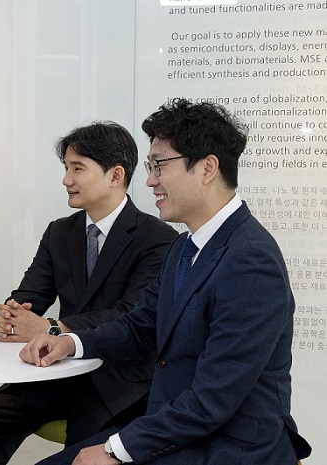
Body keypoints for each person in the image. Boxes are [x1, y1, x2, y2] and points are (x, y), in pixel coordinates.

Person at [21, 98, 312, 465]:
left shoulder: (250, 260)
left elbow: (213, 400)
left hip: (228, 444)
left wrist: (116, 449)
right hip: (179, 426)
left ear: (207, 168)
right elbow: (140, 325)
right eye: (150, 166)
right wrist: (70, 343)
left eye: (159, 165)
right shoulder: (185, 245)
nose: (149, 180)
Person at [0, 122, 178, 464]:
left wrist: (50, 328)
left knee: (81, 453)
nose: (66, 180)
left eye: (77, 169)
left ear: (115, 175)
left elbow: (129, 316)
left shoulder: (157, 238)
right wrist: (13, 316)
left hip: (117, 377)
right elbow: (30, 294)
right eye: (66, 168)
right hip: (55, 369)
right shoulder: (59, 232)